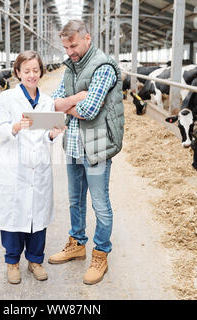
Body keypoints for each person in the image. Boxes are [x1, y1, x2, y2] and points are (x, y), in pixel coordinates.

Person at [48, 20, 125, 285]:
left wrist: (76, 102)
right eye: (66, 46)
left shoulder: (103, 66)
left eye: (73, 44)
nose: (69, 50)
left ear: (87, 38)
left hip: (96, 145)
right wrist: (77, 97)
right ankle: (77, 243)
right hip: (72, 144)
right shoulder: (70, 67)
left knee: (100, 204)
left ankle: (101, 252)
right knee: (75, 200)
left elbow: (90, 111)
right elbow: (54, 103)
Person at [0, 50, 65, 284]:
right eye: (27, 71)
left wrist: (52, 135)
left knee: (37, 216)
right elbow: (0, 131)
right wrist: (15, 127)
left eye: (36, 70)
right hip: (14, 167)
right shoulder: (7, 99)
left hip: (39, 166)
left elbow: (47, 136)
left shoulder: (47, 101)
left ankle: (35, 260)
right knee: (12, 216)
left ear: (41, 71)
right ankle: (12, 263)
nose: (32, 75)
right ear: (18, 72)